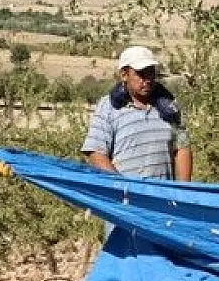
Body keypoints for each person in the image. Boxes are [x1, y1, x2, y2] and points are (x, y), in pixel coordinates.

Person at [81, 45, 193, 180]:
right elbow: (96, 153)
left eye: (150, 73)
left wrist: (182, 193)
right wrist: (123, 187)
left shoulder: (170, 107)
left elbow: (182, 149)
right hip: (124, 198)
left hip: (163, 197)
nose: (147, 79)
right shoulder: (108, 106)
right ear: (124, 75)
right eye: (140, 73)